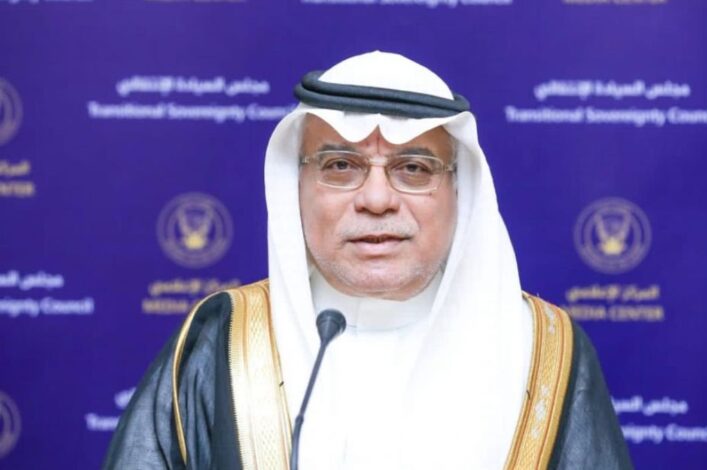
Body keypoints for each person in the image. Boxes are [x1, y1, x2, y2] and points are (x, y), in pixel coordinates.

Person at [104, 51, 632, 470]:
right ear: (297, 186)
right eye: (340, 165)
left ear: (460, 190)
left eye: (414, 168)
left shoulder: (544, 351)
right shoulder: (222, 338)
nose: (377, 199)